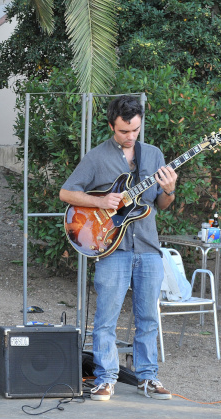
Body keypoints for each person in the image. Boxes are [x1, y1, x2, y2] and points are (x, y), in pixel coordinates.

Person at [59, 95, 176, 401]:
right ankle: (106, 378)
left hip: (148, 247)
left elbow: (161, 205)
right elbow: (66, 193)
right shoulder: (97, 157)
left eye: (135, 130)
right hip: (112, 248)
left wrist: (170, 190)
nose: (130, 136)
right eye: (124, 131)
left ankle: (148, 377)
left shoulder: (153, 154)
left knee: (149, 317)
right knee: (106, 318)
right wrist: (100, 201)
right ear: (112, 125)